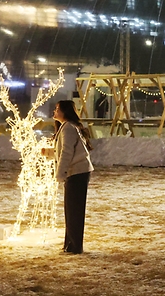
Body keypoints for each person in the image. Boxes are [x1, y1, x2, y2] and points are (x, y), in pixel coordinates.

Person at [53, 99, 94, 254]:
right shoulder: (67, 127)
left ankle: (75, 245)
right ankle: (70, 243)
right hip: (76, 171)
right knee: (70, 210)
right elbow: (65, 151)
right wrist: (49, 153)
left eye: (57, 109)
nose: (54, 112)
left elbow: (67, 152)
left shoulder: (68, 128)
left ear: (65, 111)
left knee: (74, 210)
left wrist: (60, 173)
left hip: (77, 172)